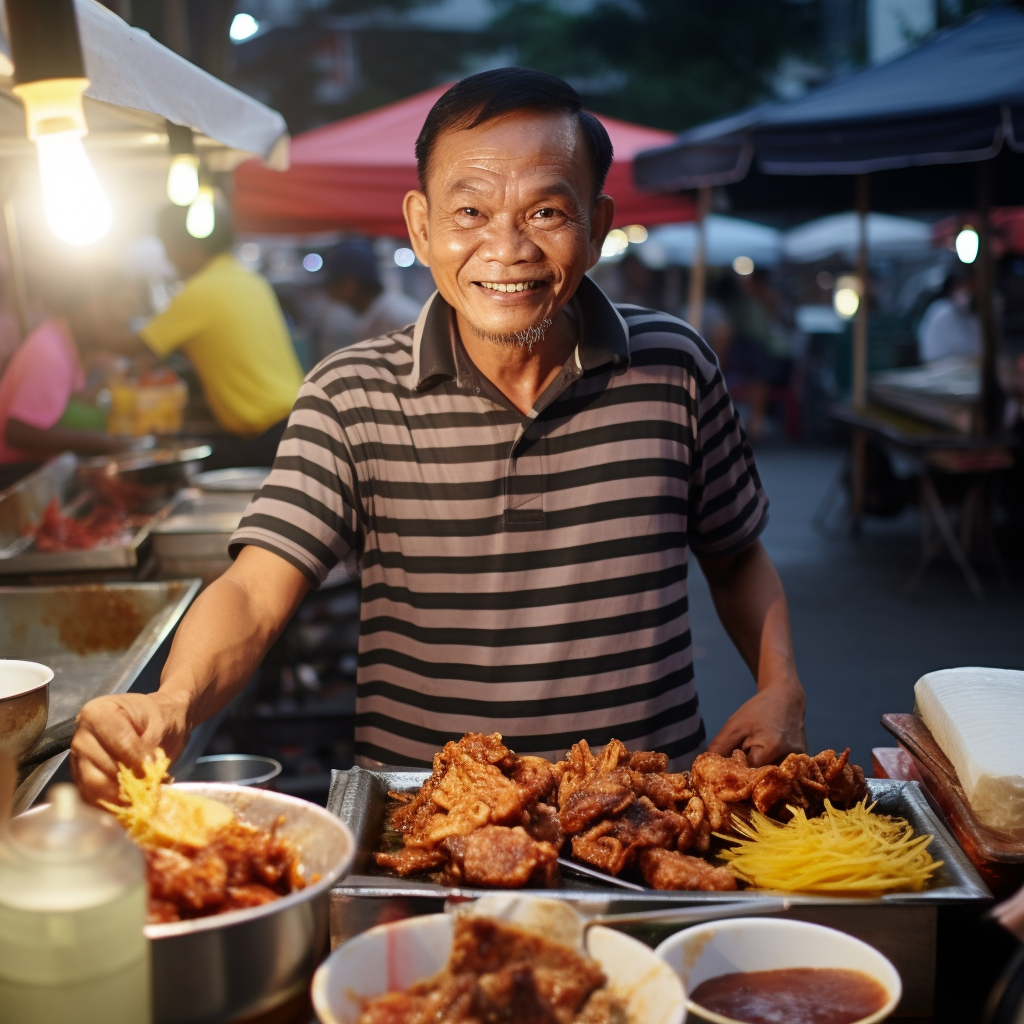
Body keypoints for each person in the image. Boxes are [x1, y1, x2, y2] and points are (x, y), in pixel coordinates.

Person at [72, 68, 806, 804]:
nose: (507, 247)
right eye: (471, 212)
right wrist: (173, 702)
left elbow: (735, 552)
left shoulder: (674, 368)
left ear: (598, 224)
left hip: (647, 818)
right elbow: (256, 589)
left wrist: (780, 684)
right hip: (423, 827)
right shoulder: (348, 392)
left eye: (546, 212)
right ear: (422, 227)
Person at [130, 200, 304, 467]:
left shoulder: (200, 290)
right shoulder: (248, 279)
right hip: (296, 422)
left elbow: (137, 347)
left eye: (168, 246)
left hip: (268, 435)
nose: (168, 258)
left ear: (192, 247)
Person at [0, 272, 142, 489]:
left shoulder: (64, 342)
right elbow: (18, 431)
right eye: (118, 308)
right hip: (15, 476)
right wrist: (108, 444)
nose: (122, 320)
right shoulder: (49, 350)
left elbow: (61, 409)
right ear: (92, 304)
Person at [321, 239, 423, 348]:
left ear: (350, 283)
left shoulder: (399, 316)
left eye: (332, 284)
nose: (329, 292)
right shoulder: (372, 316)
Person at [917, 270, 981, 363]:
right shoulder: (940, 312)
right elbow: (931, 358)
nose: (969, 291)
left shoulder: (977, 315)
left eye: (972, 287)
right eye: (964, 286)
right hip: (944, 371)